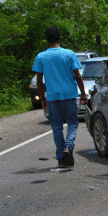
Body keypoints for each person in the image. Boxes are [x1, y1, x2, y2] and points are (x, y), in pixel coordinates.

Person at [33, 26, 88, 169]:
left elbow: (39, 81)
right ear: (60, 38)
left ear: (47, 40)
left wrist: (43, 99)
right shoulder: (69, 54)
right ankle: (68, 148)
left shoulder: (41, 56)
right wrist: (83, 93)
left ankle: (60, 160)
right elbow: (78, 76)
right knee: (72, 123)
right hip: (69, 95)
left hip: (52, 98)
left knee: (56, 128)